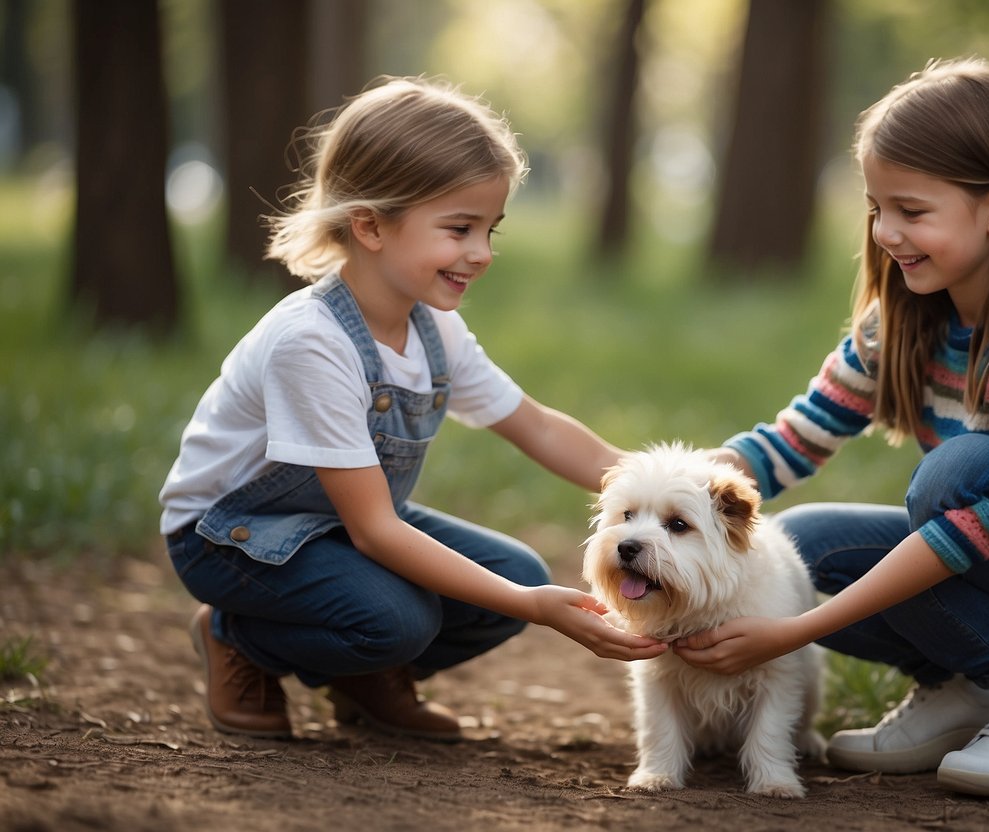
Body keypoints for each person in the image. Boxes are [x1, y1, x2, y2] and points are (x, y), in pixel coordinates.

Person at [675, 58, 989, 799]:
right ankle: (965, 683)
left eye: (911, 212)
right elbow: (795, 437)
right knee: (802, 546)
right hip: (988, 544)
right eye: (876, 209)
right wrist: (665, 498)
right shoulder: (903, 319)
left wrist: (792, 631)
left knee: (951, 478)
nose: (885, 234)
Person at [159, 76, 666, 743]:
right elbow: (374, 531)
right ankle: (239, 639)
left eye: (490, 229)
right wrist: (532, 610)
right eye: (459, 228)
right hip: (231, 535)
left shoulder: (433, 328)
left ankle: (360, 674)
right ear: (369, 224)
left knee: (512, 574)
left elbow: (536, 425)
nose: (481, 254)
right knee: (401, 619)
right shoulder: (311, 343)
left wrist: (660, 482)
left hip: (333, 523)